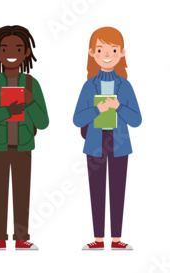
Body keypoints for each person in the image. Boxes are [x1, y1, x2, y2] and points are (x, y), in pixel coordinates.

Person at [0, 25, 49, 251]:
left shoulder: (31, 84)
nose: (11, 53)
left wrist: (30, 101)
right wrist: (7, 111)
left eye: (18, 48)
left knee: (22, 192)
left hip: (24, 145)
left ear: (27, 52)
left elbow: (43, 122)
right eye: (5, 48)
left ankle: (21, 238)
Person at [73, 27, 141, 251]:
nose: (107, 55)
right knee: (97, 190)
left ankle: (117, 239)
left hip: (120, 143)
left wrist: (118, 106)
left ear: (121, 53)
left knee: (117, 189)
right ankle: (99, 239)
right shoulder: (88, 85)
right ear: (92, 53)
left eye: (113, 49)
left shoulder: (125, 86)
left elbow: (137, 120)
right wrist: (97, 109)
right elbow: (77, 119)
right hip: (95, 143)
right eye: (101, 49)